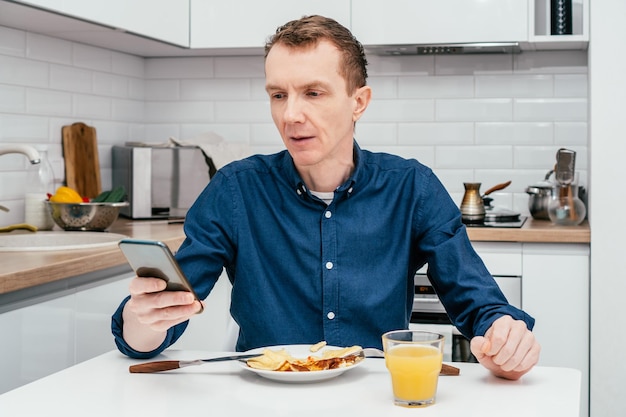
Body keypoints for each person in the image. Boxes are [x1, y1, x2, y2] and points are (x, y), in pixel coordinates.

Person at [112, 15, 540, 380]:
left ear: (359, 102)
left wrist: (504, 339)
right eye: (278, 95)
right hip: (264, 398)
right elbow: (154, 329)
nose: (290, 114)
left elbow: (479, 302)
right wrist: (142, 321)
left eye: (313, 93)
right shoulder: (235, 190)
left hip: (377, 396)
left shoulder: (412, 187)